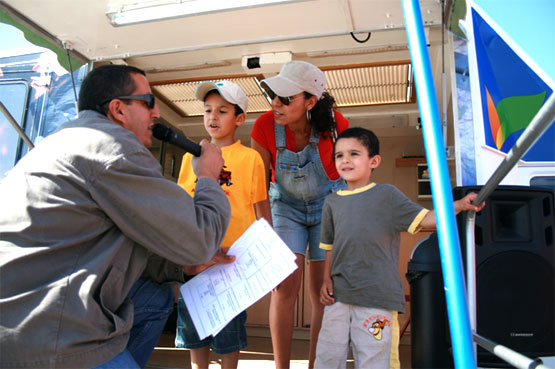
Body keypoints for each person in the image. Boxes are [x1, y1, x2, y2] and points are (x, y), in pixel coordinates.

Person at [0, 64, 232, 369]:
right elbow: (201, 239)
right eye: (148, 102)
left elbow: (112, 242)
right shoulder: (114, 149)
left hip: (17, 320)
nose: (157, 114)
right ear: (118, 109)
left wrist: (185, 265)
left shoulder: (64, 140)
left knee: (154, 296)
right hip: (46, 339)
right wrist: (207, 178)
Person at [314, 127, 485, 369]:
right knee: (327, 359)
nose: (345, 160)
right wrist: (325, 280)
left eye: (354, 153)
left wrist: (458, 205)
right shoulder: (332, 202)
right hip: (338, 297)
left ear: (374, 161)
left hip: (377, 298)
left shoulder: (387, 195)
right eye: (339, 155)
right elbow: (329, 246)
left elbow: (426, 219)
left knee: (375, 361)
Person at [250, 60, 349, 369]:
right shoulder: (264, 126)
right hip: (285, 208)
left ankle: (314, 365)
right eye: (273, 96)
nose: (275, 104)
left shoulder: (336, 126)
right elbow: (258, 187)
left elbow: (349, 177)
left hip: (328, 207)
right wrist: (265, 237)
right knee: (284, 285)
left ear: (310, 101)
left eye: (286, 98)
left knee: (322, 291)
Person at [175, 80, 270, 369]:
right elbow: (180, 205)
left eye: (222, 111)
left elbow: (261, 208)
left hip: (232, 260)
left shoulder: (251, 158)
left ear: (239, 118)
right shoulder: (190, 157)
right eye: (207, 110)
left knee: (228, 335)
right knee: (195, 332)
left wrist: (269, 254)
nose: (212, 117)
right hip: (195, 257)